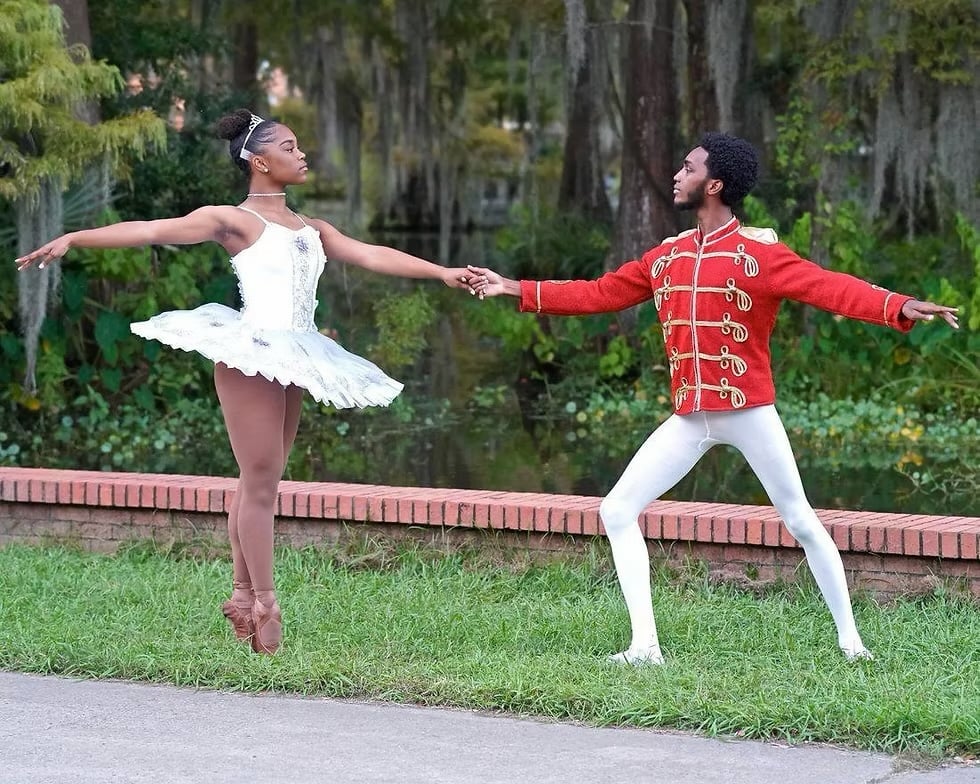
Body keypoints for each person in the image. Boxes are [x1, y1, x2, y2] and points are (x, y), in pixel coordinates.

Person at [467, 132, 958, 665]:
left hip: (749, 413)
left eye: (688, 167)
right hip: (690, 418)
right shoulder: (667, 256)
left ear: (715, 184)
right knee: (617, 509)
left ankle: (851, 643)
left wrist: (899, 306)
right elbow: (599, 292)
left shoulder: (761, 254)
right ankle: (644, 647)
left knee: (798, 520)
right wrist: (513, 287)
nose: (678, 174)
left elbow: (829, 286)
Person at [16, 108, 483, 655]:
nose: (302, 153)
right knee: (260, 483)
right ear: (260, 161)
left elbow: (372, 254)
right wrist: (76, 236)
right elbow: (151, 230)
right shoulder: (235, 221)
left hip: (295, 355)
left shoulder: (312, 228)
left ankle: (240, 595)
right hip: (250, 354)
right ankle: (265, 602)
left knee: (258, 481)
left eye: (299, 145)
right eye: (289, 146)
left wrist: (442, 272)